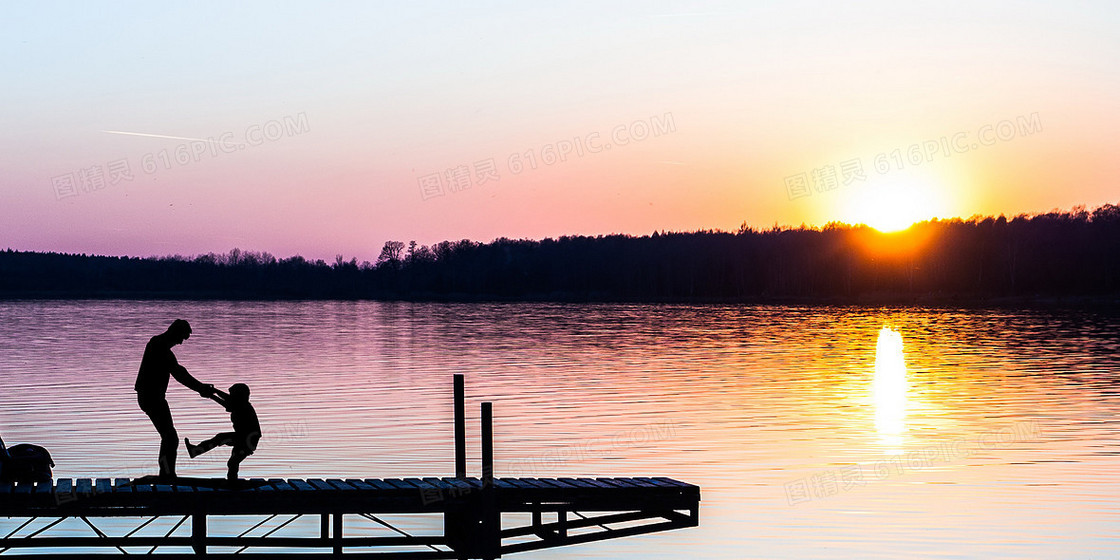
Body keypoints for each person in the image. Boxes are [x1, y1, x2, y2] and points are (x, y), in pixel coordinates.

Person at [135, 319, 214, 478]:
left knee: (169, 436)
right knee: (170, 437)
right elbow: (179, 373)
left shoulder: (159, 345)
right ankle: (167, 473)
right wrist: (200, 388)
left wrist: (200, 387)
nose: (181, 343)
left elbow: (179, 370)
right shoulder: (159, 346)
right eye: (182, 338)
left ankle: (167, 472)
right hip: (151, 397)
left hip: (152, 396)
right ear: (175, 332)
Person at [185, 383, 261, 481]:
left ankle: (196, 451)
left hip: (247, 439)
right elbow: (228, 399)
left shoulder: (243, 406)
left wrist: (212, 395)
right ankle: (232, 481)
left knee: (221, 439)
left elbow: (228, 404)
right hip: (244, 437)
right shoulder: (241, 404)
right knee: (233, 462)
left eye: (233, 394)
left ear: (239, 395)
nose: (231, 396)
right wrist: (215, 391)